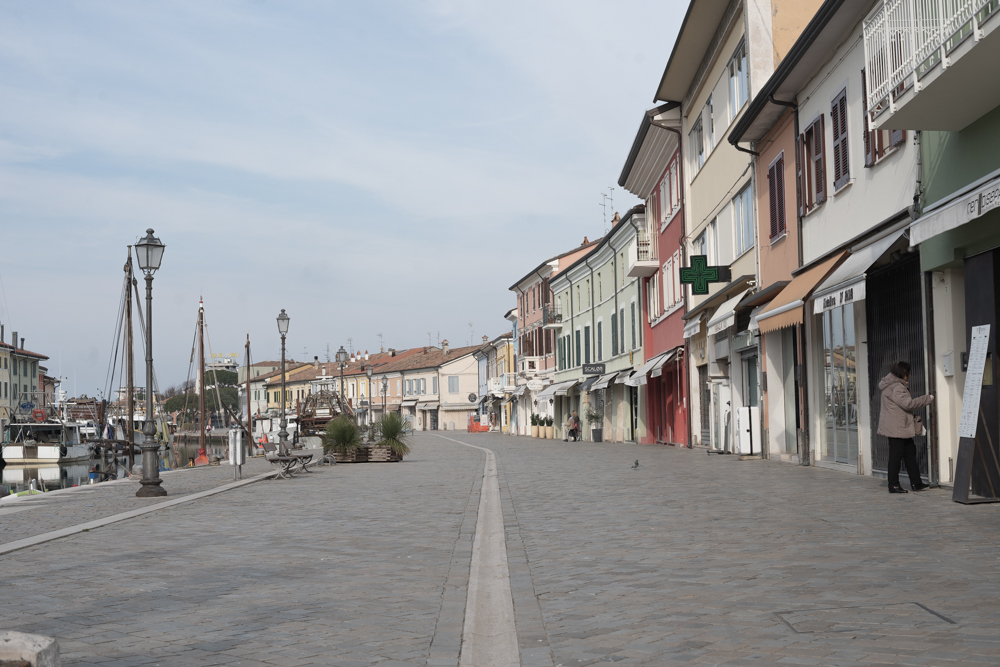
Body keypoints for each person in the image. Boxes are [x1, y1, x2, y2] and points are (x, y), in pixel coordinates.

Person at [877, 361, 934, 493]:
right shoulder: (897, 387)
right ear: (903, 374)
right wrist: (927, 398)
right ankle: (894, 485)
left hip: (898, 426)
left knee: (909, 453)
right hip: (897, 427)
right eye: (908, 372)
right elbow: (908, 404)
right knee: (896, 456)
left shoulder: (890, 384)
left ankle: (916, 483)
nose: (910, 375)